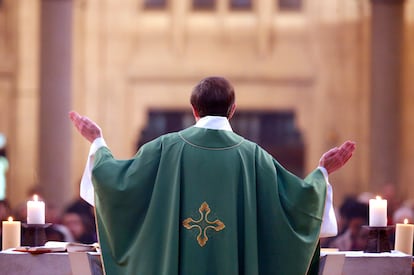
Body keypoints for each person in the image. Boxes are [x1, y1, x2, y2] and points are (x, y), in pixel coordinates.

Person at [69, 76, 356, 275]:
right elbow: (297, 207)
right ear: (233, 110)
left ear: (194, 110)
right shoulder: (254, 157)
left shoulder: (163, 148)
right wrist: (321, 174)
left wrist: (98, 143)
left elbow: (116, 184)